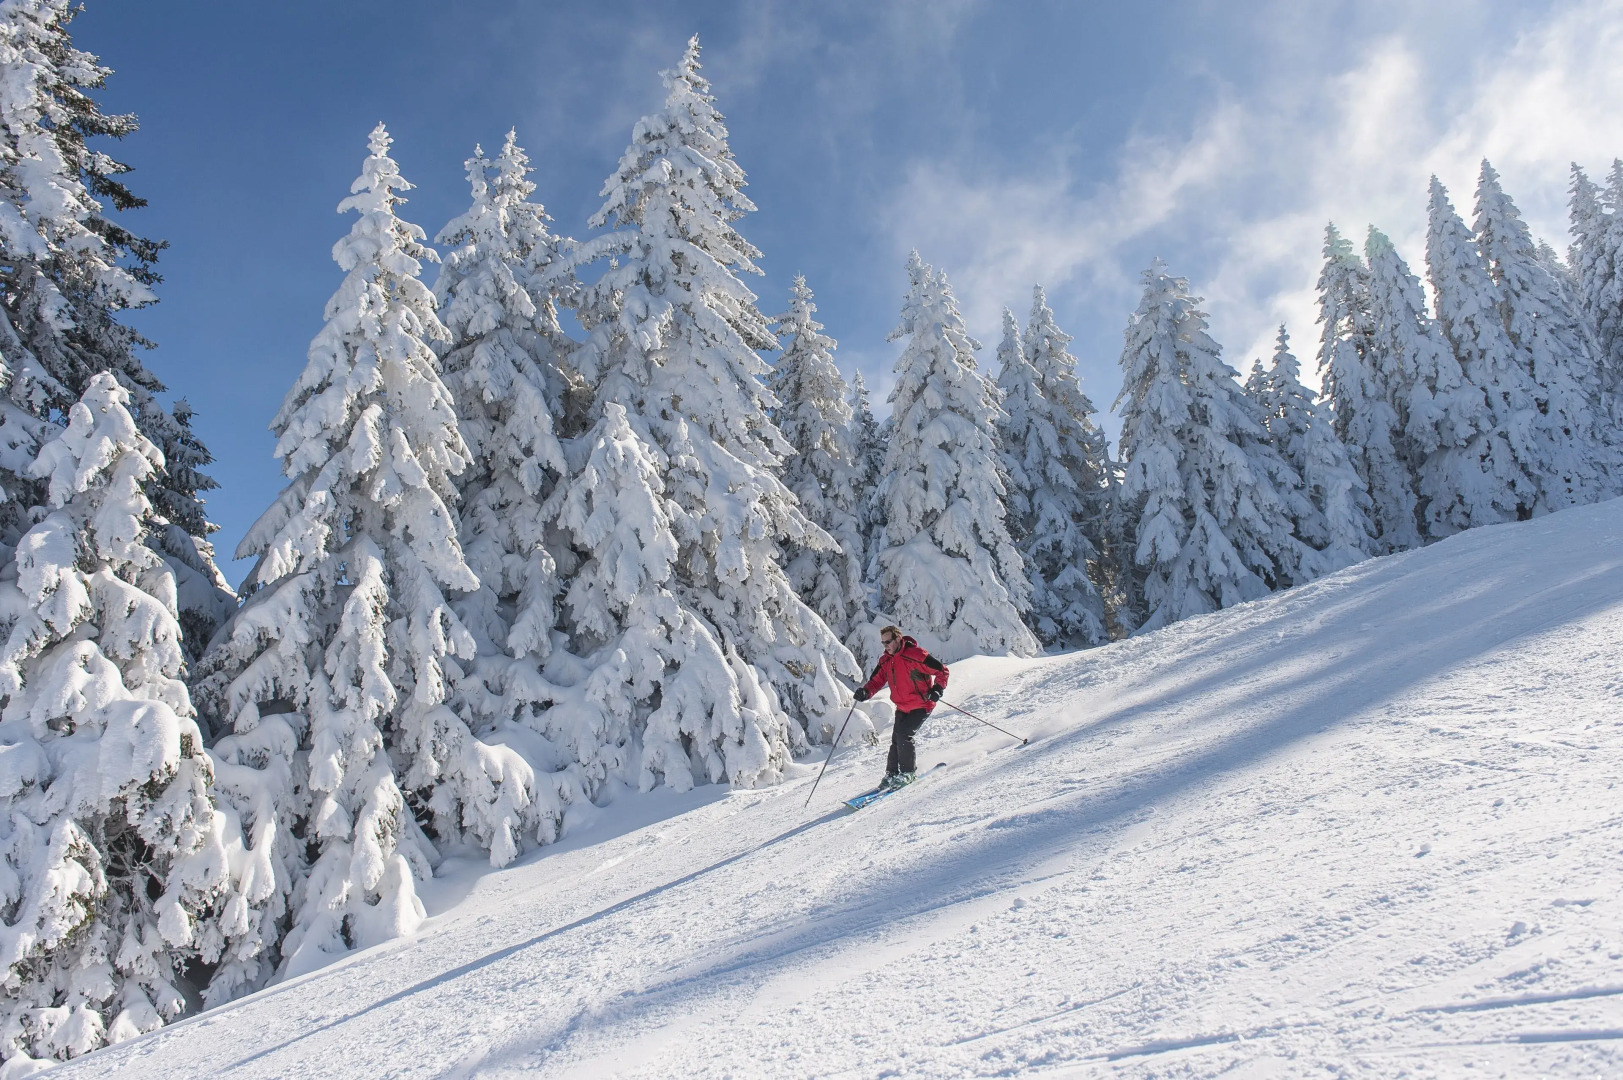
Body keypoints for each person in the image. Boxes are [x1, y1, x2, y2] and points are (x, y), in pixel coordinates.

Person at [852, 625, 949, 788]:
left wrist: (937, 690)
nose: (886, 646)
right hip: (902, 707)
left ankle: (908, 773)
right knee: (896, 739)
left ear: (898, 639)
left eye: (888, 641)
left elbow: (942, 671)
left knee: (904, 735)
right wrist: (865, 692)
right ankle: (892, 774)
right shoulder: (885, 660)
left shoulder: (916, 655)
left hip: (922, 704)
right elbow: (876, 681)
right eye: (883, 643)